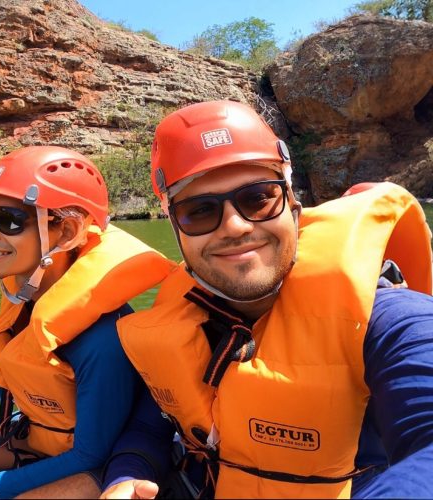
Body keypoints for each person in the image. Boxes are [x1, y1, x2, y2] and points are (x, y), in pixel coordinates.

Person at [100, 100, 433, 498]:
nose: (235, 226)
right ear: (174, 225)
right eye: (200, 211)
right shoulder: (183, 316)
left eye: (258, 197)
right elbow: (149, 427)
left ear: (292, 201)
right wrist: (126, 476)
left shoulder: (388, 318)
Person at [0, 146, 174, 499]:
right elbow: (5, 363)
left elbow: (91, 452)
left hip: (94, 459)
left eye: (8, 219)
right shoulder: (25, 296)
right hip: (39, 434)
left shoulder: (103, 339)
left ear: (67, 233)